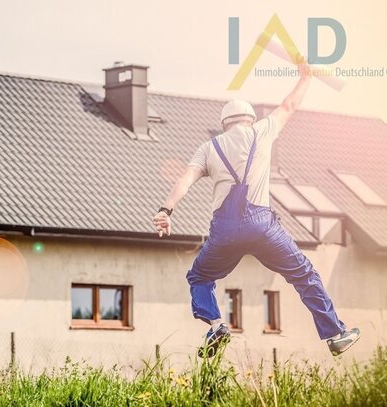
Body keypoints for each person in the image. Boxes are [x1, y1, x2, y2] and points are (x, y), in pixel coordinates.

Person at [152, 59, 360, 358]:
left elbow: (185, 179)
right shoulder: (262, 132)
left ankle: (216, 325)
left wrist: (166, 211)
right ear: (249, 119)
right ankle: (336, 334)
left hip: (224, 232)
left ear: (225, 124)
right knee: (304, 275)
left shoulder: (209, 147)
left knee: (200, 277)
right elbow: (288, 105)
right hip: (263, 228)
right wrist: (306, 77)